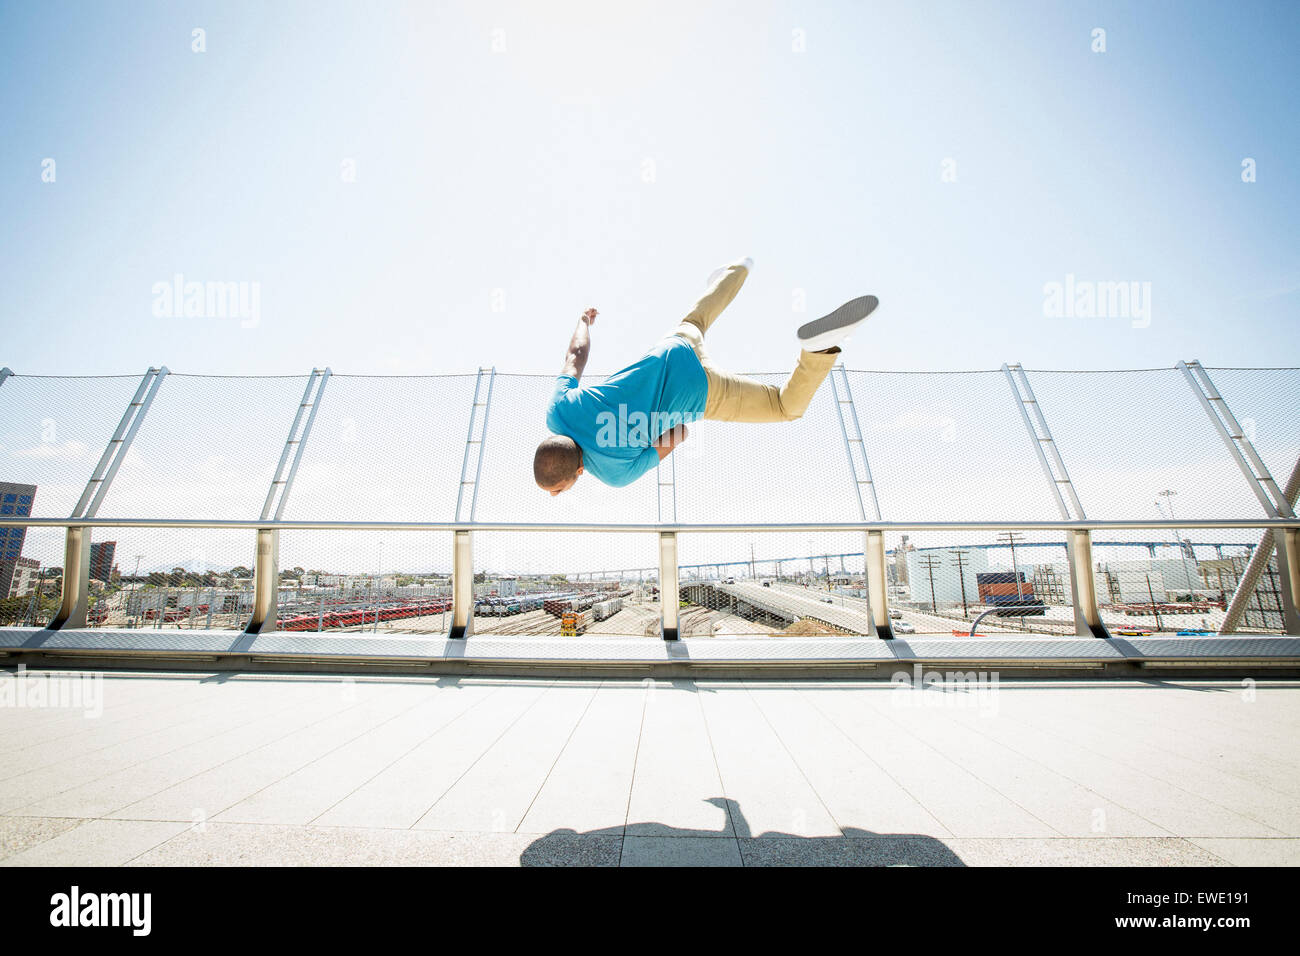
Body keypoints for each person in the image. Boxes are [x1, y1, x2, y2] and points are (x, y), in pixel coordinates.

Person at [534, 257, 877, 493]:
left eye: (558, 490)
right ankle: (738, 269)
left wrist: (648, 421)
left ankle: (819, 350)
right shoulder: (558, 410)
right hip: (673, 348)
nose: (556, 495)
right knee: (696, 320)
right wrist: (583, 320)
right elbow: (575, 356)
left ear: (578, 472)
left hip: (701, 391)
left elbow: (680, 432)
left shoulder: (615, 474)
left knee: (784, 407)